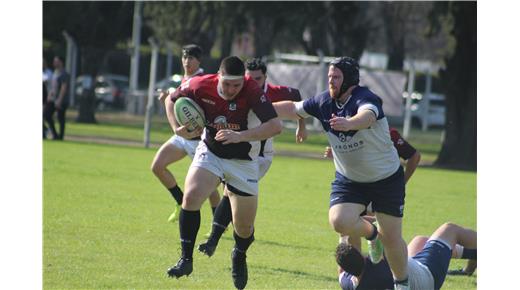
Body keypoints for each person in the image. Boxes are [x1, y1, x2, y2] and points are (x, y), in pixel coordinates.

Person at [273, 56, 410, 289]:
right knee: (339, 221)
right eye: (329, 77)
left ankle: (402, 284)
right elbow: (292, 108)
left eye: (336, 77)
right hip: (350, 180)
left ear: (350, 79)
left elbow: (367, 115)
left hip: (386, 179)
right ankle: (372, 234)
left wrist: (350, 123)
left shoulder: (365, 98)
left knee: (393, 239)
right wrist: (259, 110)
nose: (331, 82)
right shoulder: (323, 102)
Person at [164, 56, 282, 290]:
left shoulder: (251, 90)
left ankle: (239, 254)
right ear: (218, 77)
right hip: (211, 152)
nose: (231, 90)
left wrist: (240, 136)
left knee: (244, 227)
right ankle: (186, 259)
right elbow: (171, 98)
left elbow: (275, 126)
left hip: (243, 161)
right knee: (191, 197)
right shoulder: (200, 85)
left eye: (236, 85)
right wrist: (176, 128)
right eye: (227, 84)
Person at [197, 57, 307, 257]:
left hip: (260, 156)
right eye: (250, 78)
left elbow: (295, 103)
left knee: (230, 192)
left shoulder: (271, 93)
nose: (253, 82)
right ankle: (220, 239)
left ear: (265, 78)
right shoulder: (239, 90)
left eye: (258, 78)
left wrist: (302, 126)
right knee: (228, 192)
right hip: (238, 152)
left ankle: (218, 239)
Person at [152, 44, 221, 224]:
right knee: (157, 166)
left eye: (191, 58)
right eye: (184, 57)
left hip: (197, 140)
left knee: (211, 189)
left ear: (199, 61)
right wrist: (166, 102)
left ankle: (218, 226)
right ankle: (179, 202)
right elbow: (179, 109)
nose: (186, 61)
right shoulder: (184, 79)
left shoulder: (202, 80)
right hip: (182, 137)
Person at [326, 127, 421, 252]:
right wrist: (337, 154)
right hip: (353, 187)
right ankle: (352, 270)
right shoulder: (349, 131)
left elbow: (414, 156)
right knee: (346, 231)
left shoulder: (388, 133)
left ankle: (379, 258)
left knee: (382, 234)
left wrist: (402, 183)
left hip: (379, 188)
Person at [336, 220, 477, 290]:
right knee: (449, 229)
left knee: (420, 240)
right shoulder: (377, 259)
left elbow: (341, 270)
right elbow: (377, 230)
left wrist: (346, 233)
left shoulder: (349, 284)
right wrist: (352, 223)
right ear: (361, 256)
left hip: (412, 270)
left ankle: (471, 263)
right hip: (428, 277)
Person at [44, 55, 70, 140]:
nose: (54, 63)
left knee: (60, 118)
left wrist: (59, 100)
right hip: (52, 99)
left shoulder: (64, 73)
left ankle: (60, 136)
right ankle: (54, 134)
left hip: (61, 99)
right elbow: (52, 86)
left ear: (61, 62)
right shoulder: (55, 72)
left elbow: (64, 87)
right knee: (47, 115)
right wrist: (49, 95)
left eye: (56, 61)